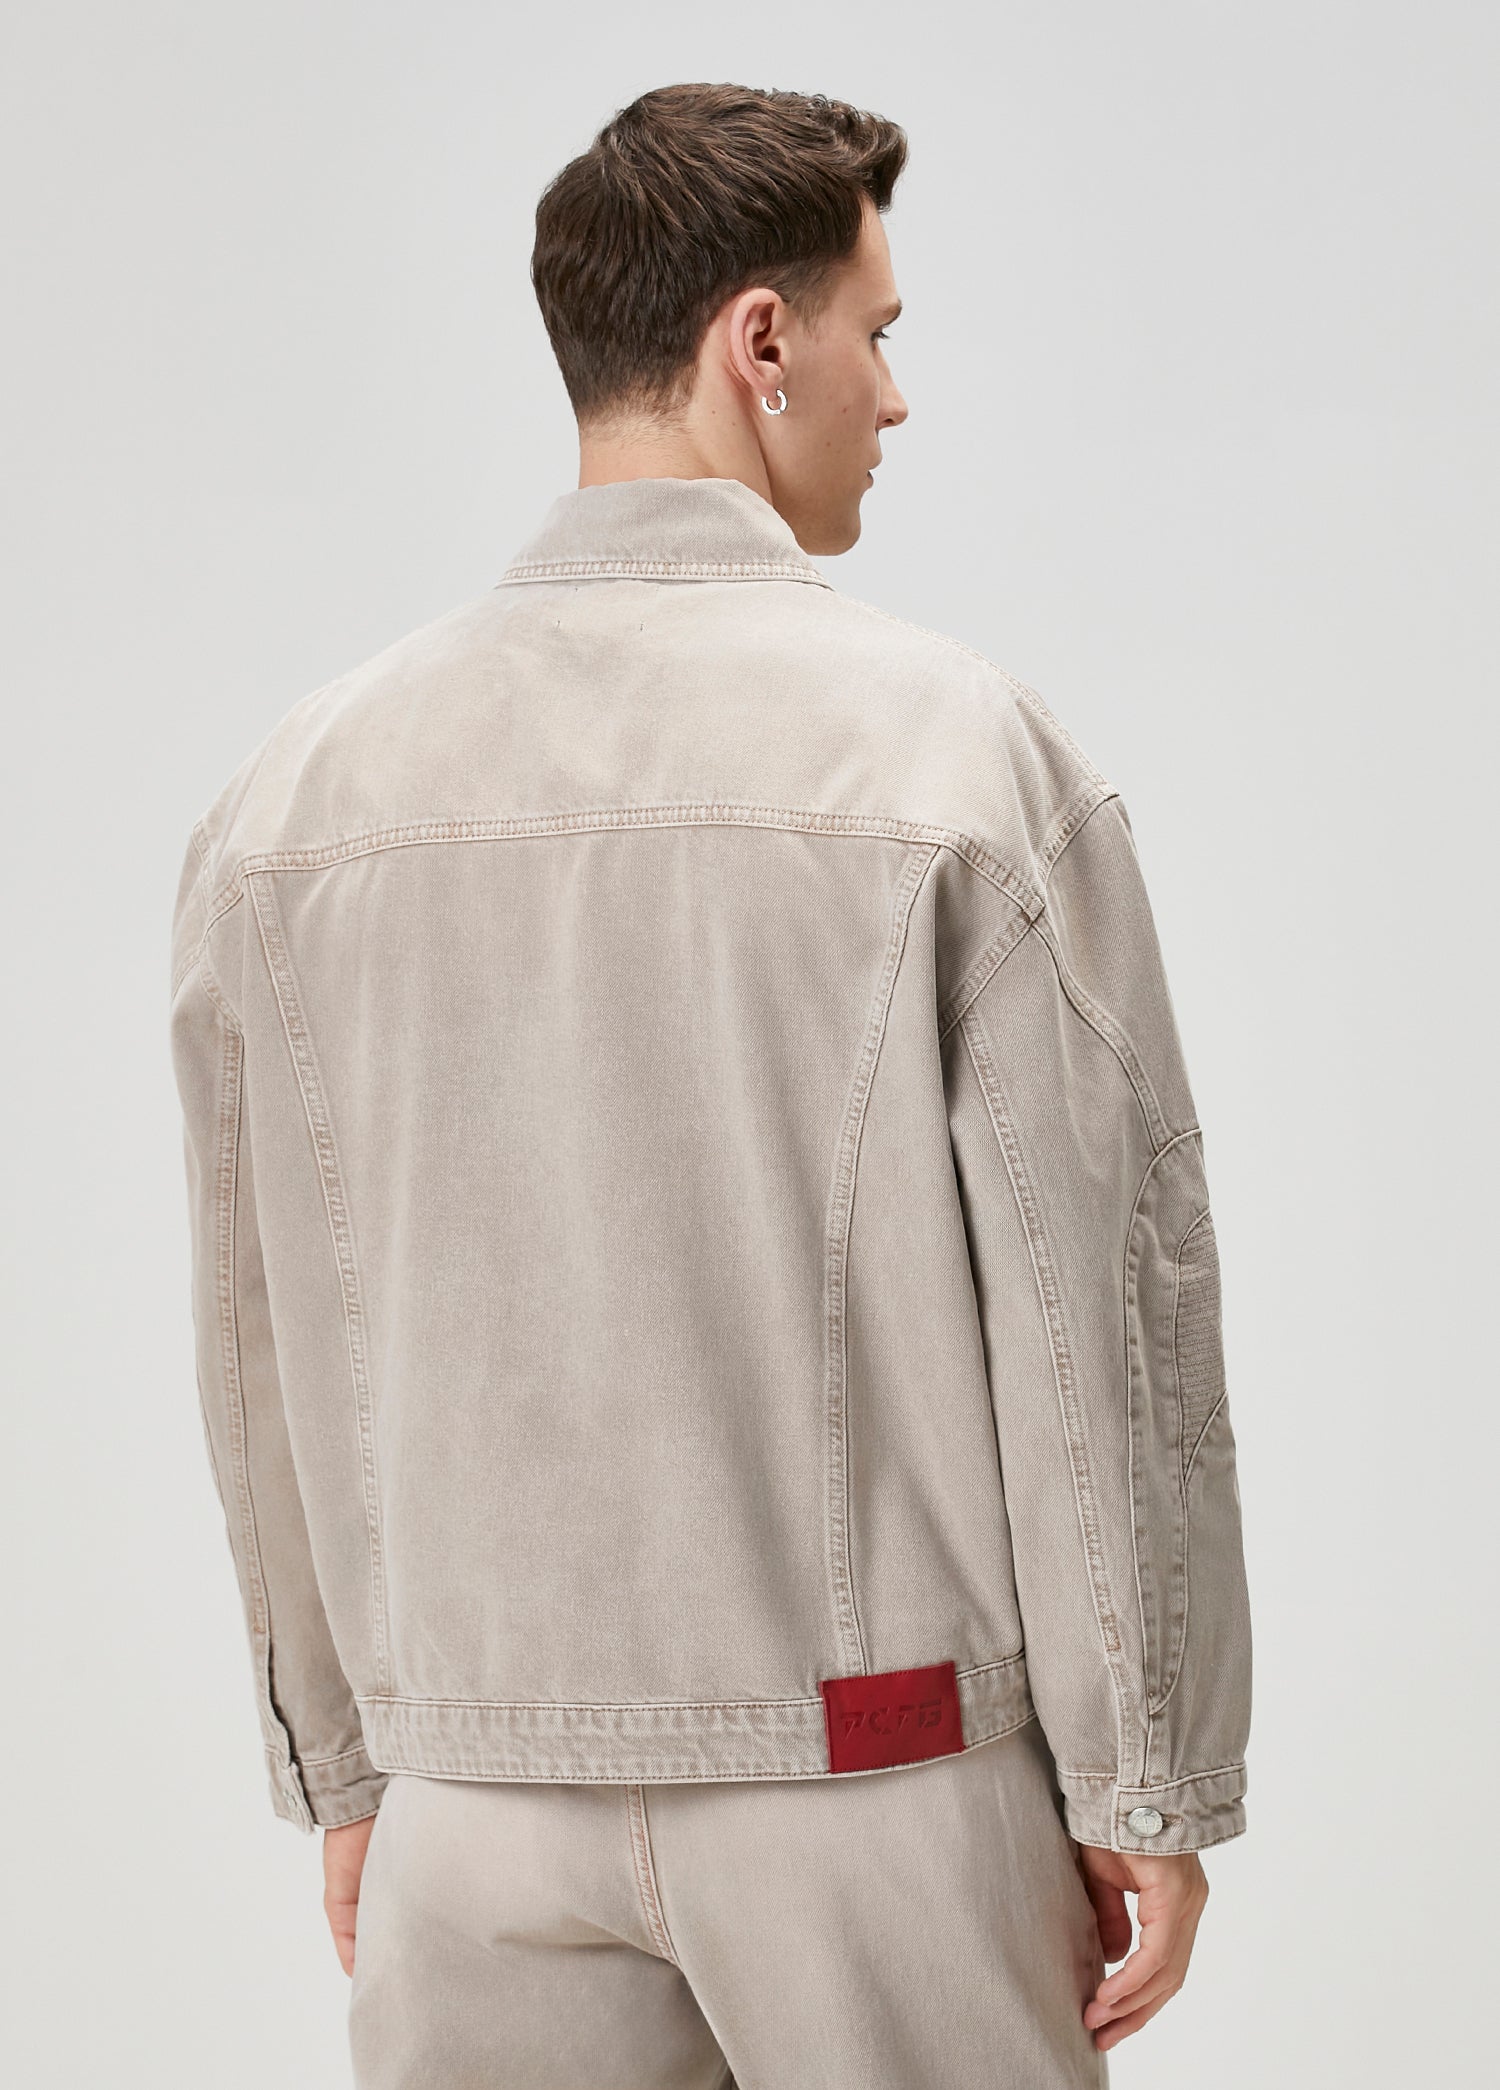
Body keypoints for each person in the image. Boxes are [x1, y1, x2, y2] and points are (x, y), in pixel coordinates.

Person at [168, 81, 1251, 2089]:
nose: (895, 396)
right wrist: (1145, 1774)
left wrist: (346, 1758)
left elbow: (259, 1334)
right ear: (761, 341)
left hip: (474, 1801)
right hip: (879, 1775)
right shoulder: (954, 757)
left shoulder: (293, 802)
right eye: (877, 332)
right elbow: (1097, 1307)